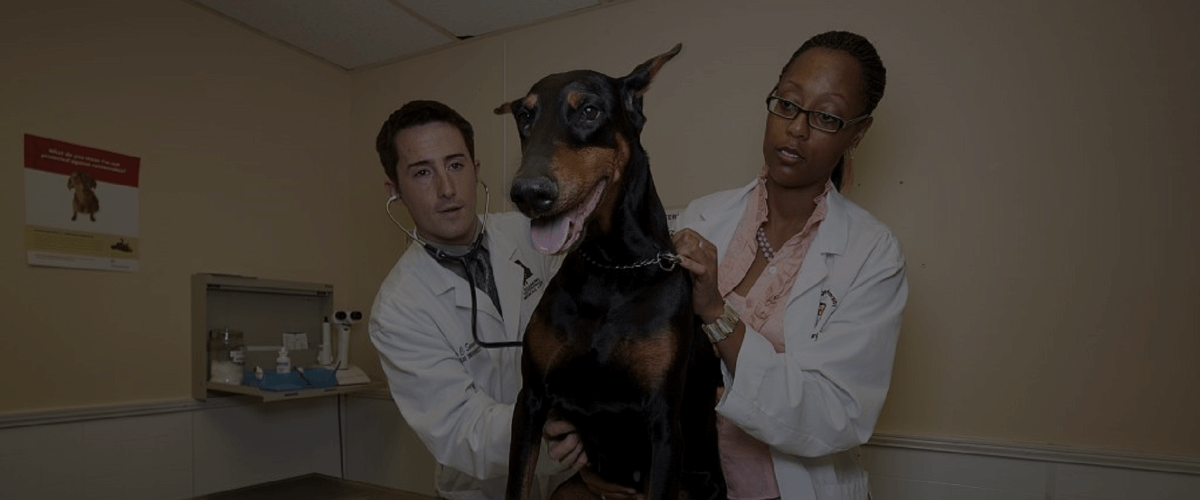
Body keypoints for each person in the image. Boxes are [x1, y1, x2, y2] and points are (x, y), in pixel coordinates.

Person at [548, 31, 908, 500]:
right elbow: (636, 358)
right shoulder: (701, 218)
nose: (797, 129)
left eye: (826, 117)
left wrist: (718, 315)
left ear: (857, 132)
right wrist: (592, 444)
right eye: (787, 104)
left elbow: (838, 415)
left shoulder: (872, 254)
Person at [369, 100, 572, 500]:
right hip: (483, 490)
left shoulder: (534, 234)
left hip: (571, 480)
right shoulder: (398, 309)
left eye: (456, 165)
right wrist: (557, 424)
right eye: (422, 172)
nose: (447, 188)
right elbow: (462, 431)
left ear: (476, 169)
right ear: (395, 191)